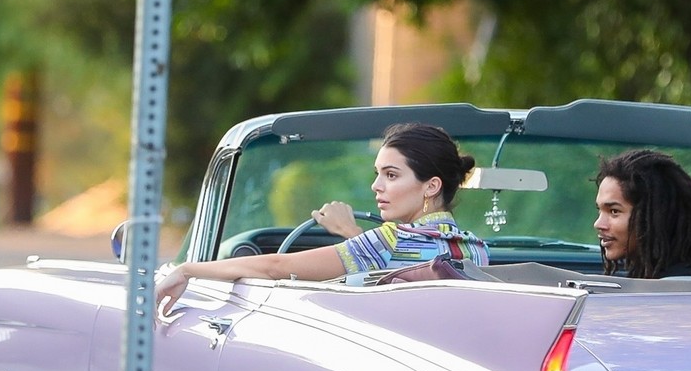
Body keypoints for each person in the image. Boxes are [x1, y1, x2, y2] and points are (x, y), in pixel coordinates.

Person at [155, 122, 489, 315]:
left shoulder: (388, 241)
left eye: (391, 175)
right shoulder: (476, 249)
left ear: (431, 186)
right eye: (378, 174)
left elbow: (273, 268)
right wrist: (352, 235)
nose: (376, 186)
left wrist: (185, 269)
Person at [593, 149, 691, 278]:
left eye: (614, 211)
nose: (598, 224)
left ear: (655, 217)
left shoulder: (676, 288)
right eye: (599, 210)